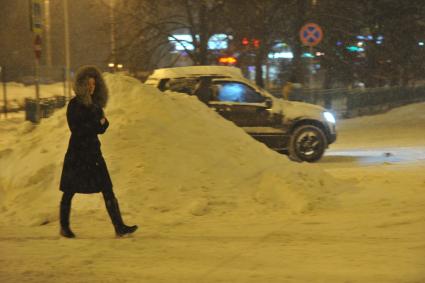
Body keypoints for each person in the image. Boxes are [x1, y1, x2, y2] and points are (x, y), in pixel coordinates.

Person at [59, 65, 138, 238]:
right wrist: (97, 124)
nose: (91, 88)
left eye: (93, 85)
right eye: (88, 84)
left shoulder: (95, 106)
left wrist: (102, 124)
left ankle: (119, 227)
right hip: (77, 154)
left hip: (94, 154)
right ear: (82, 85)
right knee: (69, 190)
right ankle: (64, 227)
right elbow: (77, 128)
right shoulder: (74, 105)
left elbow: (102, 127)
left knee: (107, 189)